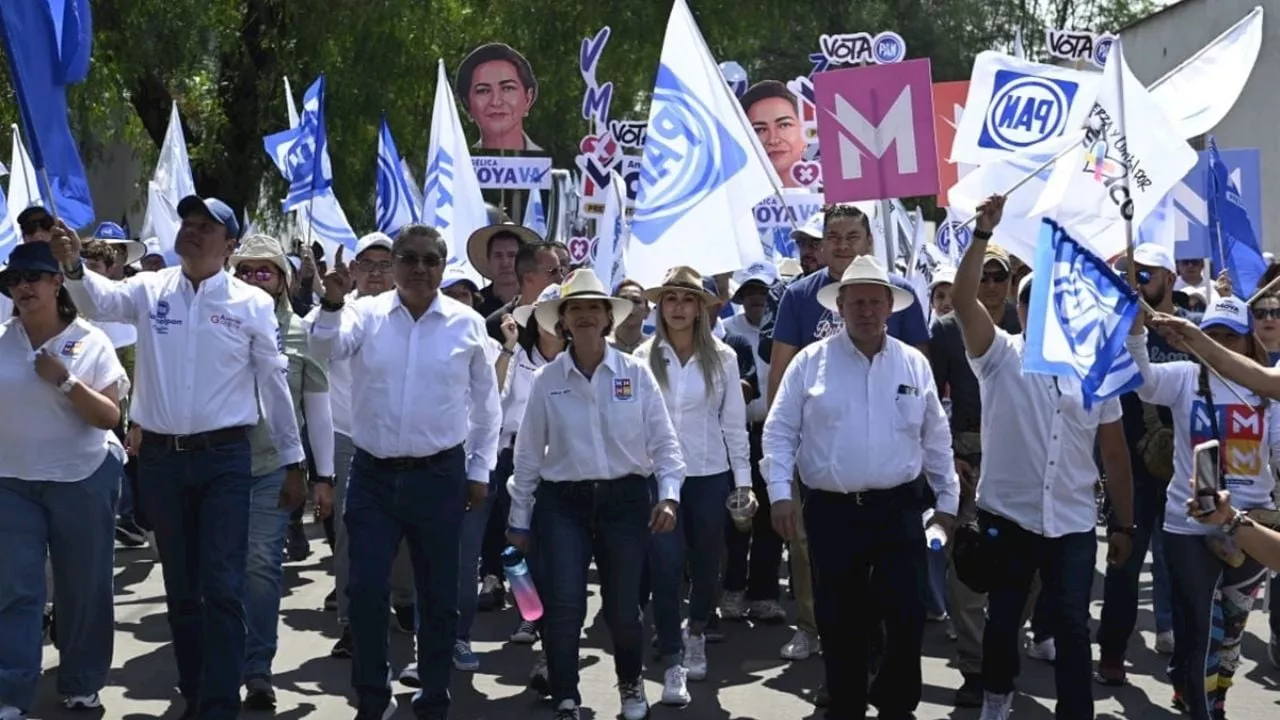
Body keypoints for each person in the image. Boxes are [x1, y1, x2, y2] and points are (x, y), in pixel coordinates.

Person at [51, 195, 307, 720]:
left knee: (223, 584)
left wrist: (294, 461)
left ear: (229, 245)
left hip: (225, 461)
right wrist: (74, 264)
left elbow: (275, 386)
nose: (191, 232)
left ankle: (218, 705)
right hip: (164, 462)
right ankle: (195, 691)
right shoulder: (150, 288)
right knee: (182, 588)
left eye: (205, 227)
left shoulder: (250, 303)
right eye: (187, 224)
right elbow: (99, 301)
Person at [309, 224, 501, 720]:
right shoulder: (362, 315)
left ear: (443, 267)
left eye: (430, 260)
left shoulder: (466, 323)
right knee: (366, 589)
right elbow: (324, 350)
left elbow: (487, 407)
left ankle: (433, 697)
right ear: (393, 265)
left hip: (439, 477)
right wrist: (331, 304)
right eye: (409, 259)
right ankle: (374, 698)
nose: (419, 269)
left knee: (437, 596)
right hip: (373, 475)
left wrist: (479, 470)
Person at [951, 196, 1133, 720]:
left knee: (1073, 622)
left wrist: (1124, 523)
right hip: (1008, 517)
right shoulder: (999, 355)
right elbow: (964, 302)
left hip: (1073, 523)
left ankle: (1075, 711)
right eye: (1031, 302)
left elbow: (1115, 454)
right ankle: (997, 696)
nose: (1042, 310)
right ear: (1019, 310)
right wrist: (982, 235)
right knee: (1004, 618)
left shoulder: (1096, 371)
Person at [763, 255, 959, 720]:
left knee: (908, 614)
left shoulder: (913, 364)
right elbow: (779, 430)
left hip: (899, 509)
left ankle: (894, 703)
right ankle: (846, 703)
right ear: (840, 307)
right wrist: (779, 493)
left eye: (875, 301)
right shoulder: (810, 363)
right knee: (839, 617)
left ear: (890, 306)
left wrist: (948, 500)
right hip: (832, 511)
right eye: (857, 302)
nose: (866, 311)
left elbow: (936, 437)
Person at [506, 268, 686, 720]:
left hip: (625, 502)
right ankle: (566, 694)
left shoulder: (635, 373)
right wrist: (519, 521)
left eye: (593, 308)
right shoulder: (548, 380)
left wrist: (668, 495)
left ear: (608, 318)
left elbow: (665, 444)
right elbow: (527, 457)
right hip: (561, 504)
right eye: (576, 309)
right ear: (563, 320)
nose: (585, 316)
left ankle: (630, 686)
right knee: (564, 604)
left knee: (624, 608)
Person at [1127, 296, 1276, 720]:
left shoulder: (1268, 386)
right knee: (1203, 621)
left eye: (1232, 336)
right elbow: (1145, 382)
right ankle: (1204, 708)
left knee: (1229, 632)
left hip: (1253, 527)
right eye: (1212, 335)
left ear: (1249, 341)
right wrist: (1136, 331)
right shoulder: (1184, 377)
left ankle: (1211, 694)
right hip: (1187, 523)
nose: (1221, 344)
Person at [0, 242, 128, 718]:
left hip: (81, 478)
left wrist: (65, 380)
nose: (23, 287)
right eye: (14, 281)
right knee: (15, 589)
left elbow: (109, 415)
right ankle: (11, 692)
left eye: (33, 277)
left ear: (57, 283)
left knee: (83, 586)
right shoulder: (1, 339)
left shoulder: (91, 340)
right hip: (11, 482)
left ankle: (81, 682)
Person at [635, 266, 754, 706]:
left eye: (688, 300)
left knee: (707, 566)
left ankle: (698, 630)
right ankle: (672, 658)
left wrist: (743, 484)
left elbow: (734, 427)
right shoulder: (643, 357)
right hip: (657, 478)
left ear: (702, 308)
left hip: (708, 475)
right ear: (660, 306)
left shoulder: (722, 357)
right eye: (671, 299)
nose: (679, 307)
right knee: (664, 568)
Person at [227, 234, 335, 709]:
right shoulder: (215, 324)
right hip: (214, 467)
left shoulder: (302, 333)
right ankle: (216, 665)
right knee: (215, 573)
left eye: (263, 271)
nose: (253, 278)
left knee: (260, 568)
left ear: (283, 279)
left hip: (272, 467)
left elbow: (318, 409)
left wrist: (321, 476)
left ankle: (257, 669)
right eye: (244, 271)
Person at [1094, 244, 1184, 685]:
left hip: (1185, 472)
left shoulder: (1192, 331)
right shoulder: (1113, 332)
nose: (1138, 284)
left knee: (1186, 568)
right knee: (1123, 563)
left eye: (1146, 275)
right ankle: (1112, 651)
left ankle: (1190, 658)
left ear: (1170, 277)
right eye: (1131, 276)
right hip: (1130, 469)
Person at [721, 264, 786, 624]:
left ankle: (764, 594)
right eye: (750, 292)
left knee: (771, 517)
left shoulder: (783, 330)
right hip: (738, 434)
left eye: (762, 292)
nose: (757, 298)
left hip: (774, 434)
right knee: (736, 515)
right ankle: (732, 590)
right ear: (741, 297)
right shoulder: (729, 334)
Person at [455, 42, 543, 151]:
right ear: (467, 103)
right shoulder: (457, 167)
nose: (496, 101)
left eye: (507, 88)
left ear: (528, 98)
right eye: (483, 91)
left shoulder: (554, 165)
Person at [466, 217, 542, 316]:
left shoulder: (538, 301)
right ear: (488, 260)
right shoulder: (475, 303)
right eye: (498, 256)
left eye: (511, 255)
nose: (505, 263)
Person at [740, 81, 807, 187]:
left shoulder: (833, 194)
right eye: (760, 130)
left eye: (784, 125)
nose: (773, 140)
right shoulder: (731, 198)